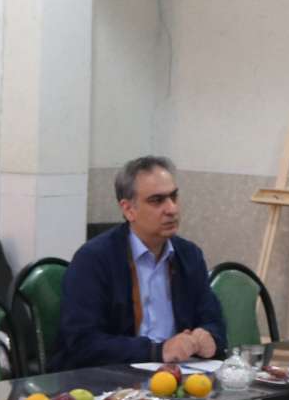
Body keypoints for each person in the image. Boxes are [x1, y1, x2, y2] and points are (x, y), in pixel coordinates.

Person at [55, 155, 226, 371]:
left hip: (178, 375)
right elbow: (83, 343)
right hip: (112, 378)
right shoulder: (93, 259)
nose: (172, 209)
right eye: (157, 200)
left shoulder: (189, 255)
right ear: (129, 209)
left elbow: (214, 321)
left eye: (173, 197)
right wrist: (157, 351)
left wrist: (210, 338)